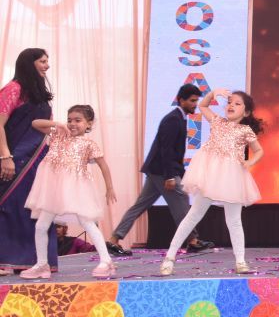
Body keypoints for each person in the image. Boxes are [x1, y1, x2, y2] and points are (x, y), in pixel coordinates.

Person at [159, 89, 264, 275]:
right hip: (210, 175)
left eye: (237, 104)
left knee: (234, 220)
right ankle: (169, 257)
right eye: (229, 102)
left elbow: (259, 150)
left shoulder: (245, 131)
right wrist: (213, 93)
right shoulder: (217, 121)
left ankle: (240, 261)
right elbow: (203, 105)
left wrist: (250, 162)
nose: (231, 105)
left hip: (232, 177)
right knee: (193, 215)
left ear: (246, 112)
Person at [107, 83, 212, 256]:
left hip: (158, 170)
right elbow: (166, 150)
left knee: (140, 206)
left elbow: (174, 152)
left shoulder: (179, 118)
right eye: (192, 101)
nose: (195, 104)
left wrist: (181, 174)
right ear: (181, 100)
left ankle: (113, 239)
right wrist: (170, 176)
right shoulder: (173, 119)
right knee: (181, 199)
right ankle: (193, 240)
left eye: (196, 101)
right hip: (162, 172)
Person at [20, 105, 116, 279]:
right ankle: (42, 265)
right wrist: (57, 124)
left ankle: (106, 261)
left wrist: (109, 188)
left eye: (78, 120)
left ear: (89, 124)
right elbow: (35, 123)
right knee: (41, 226)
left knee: (87, 222)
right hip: (53, 188)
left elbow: (104, 166)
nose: (72, 124)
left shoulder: (89, 144)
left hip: (76, 188)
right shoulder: (58, 134)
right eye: (69, 120)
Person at [0, 48, 56, 275]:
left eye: (47, 61)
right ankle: (6, 260)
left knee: (35, 208)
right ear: (29, 63)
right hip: (15, 159)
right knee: (12, 206)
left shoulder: (39, 94)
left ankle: (37, 261)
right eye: (42, 61)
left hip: (38, 160)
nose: (47, 65)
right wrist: (5, 156)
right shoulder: (13, 89)